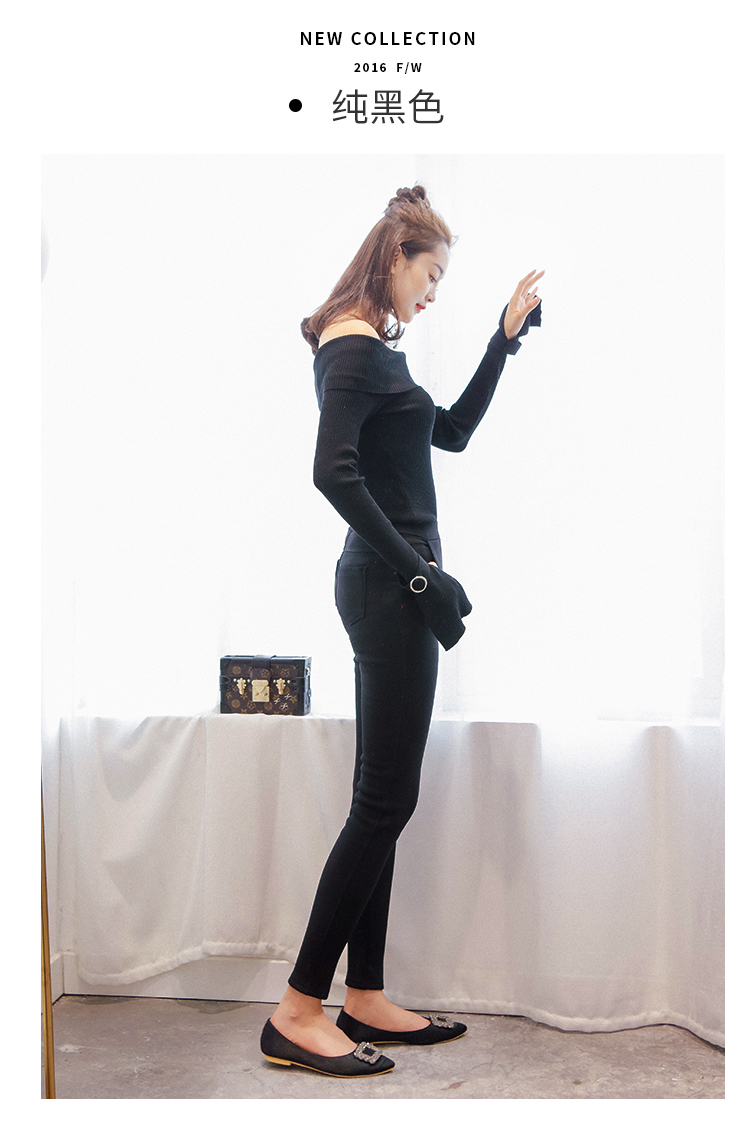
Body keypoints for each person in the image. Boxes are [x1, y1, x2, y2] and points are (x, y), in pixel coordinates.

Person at [260, 185, 543, 1077]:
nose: (434, 291)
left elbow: (448, 433)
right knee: (384, 802)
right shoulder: (349, 345)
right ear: (396, 258)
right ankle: (297, 1009)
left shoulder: (374, 351)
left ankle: (366, 992)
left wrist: (502, 341)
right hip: (390, 590)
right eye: (432, 274)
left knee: (382, 798)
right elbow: (331, 473)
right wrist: (420, 575)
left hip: (391, 588)